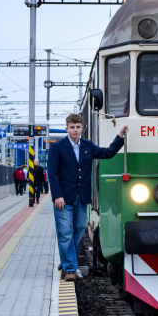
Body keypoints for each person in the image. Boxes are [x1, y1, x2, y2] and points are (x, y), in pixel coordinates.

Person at [48, 113, 128, 282]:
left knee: (77, 232)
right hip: (64, 198)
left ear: (82, 128)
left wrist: (120, 135)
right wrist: (57, 196)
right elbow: (52, 173)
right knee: (66, 233)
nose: (75, 130)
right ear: (67, 129)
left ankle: (67, 263)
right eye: (72, 127)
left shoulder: (87, 146)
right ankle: (70, 269)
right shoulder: (57, 147)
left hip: (82, 198)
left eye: (78, 127)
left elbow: (108, 153)